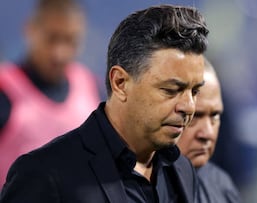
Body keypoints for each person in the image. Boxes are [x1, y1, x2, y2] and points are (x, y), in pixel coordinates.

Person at [0, 4, 209, 203]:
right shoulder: (43, 174)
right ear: (119, 83)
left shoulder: (182, 171)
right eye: (170, 90)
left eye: (195, 91)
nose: (189, 107)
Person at [0, 0, 100, 187]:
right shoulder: (5, 90)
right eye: (52, 38)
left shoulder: (90, 87)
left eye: (69, 40)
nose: (59, 53)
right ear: (29, 30)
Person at [177, 58, 242, 203]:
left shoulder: (221, 186)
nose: (207, 133)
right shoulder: (128, 187)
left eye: (215, 116)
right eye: (194, 116)